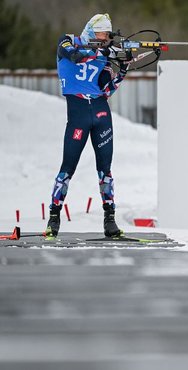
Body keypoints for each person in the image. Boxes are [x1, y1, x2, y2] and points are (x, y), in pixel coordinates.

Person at [46, 13, 129, 238]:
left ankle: (109, 219)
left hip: (101, 112)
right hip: (78, 113)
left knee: (106, 170)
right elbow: (72, 56)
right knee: (68, 167)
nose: (106, 38)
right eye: (103, 34)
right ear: (92, 31)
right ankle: (54, 217)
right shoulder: (69, 40)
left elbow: (107, 89)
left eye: (108, 36)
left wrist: (122, 69)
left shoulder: (104, 54)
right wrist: (99, 52)